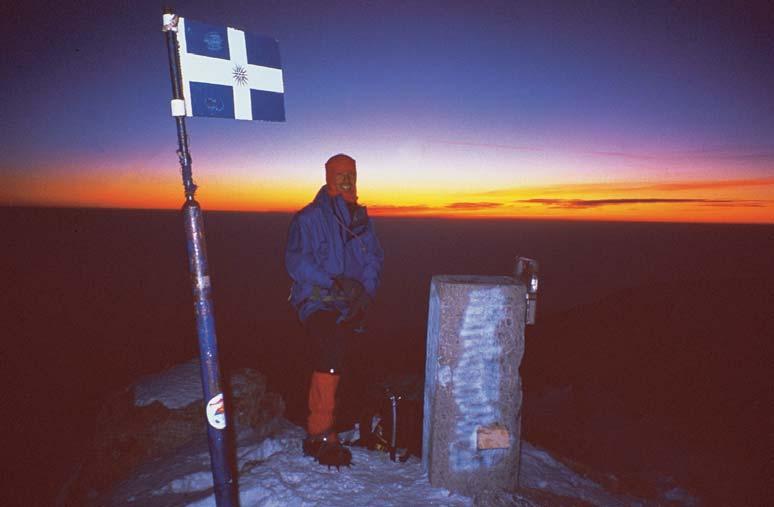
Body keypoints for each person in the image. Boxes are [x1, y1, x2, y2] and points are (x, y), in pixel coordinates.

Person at [285, 153, 384, 467]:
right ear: (329, 177)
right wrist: (335, 282)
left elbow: (373, 261)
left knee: (369, 346)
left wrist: (365, 293)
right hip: (316, 299)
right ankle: (320, 433)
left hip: (349, 300)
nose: (347, 179)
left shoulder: (360, 221)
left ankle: (357, 422)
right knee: (332, 345)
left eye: (351, 174)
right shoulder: (309, 219)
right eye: (341, 174)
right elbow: (296, 262)